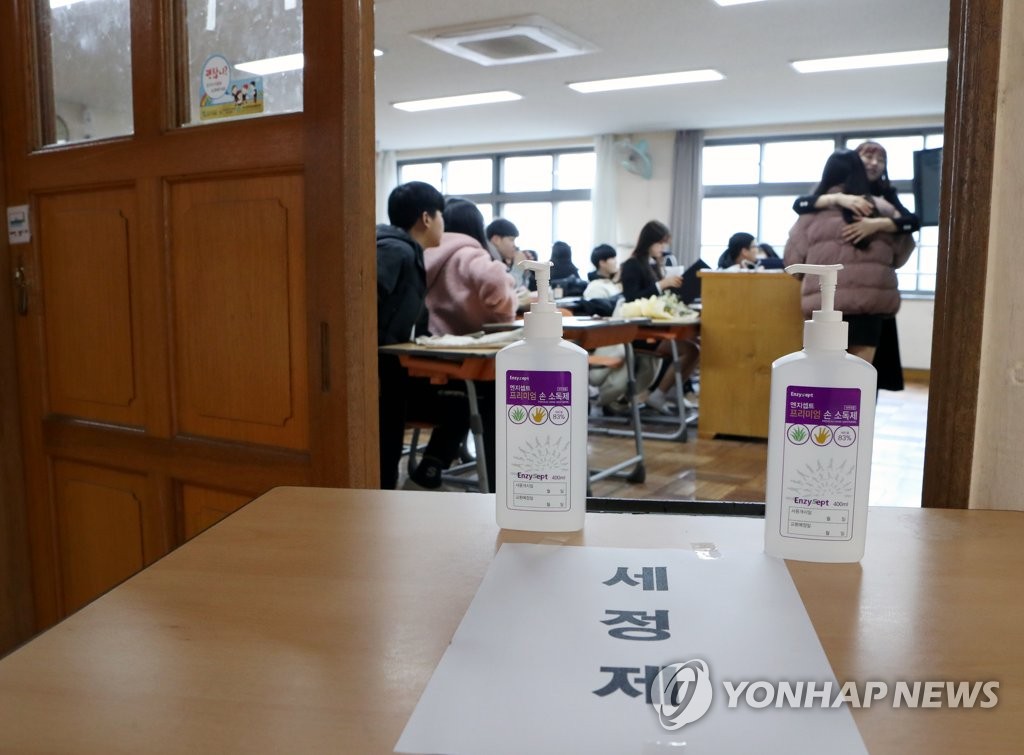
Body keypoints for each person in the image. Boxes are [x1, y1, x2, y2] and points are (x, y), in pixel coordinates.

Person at [783, 149, 915, 390]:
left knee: (823, 383)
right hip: (868, 308)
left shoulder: (809, 215)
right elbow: (902, 253)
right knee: (858, 385)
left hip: (823, 310)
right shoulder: (884, 209)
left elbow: (792, 261)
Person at [376, 181, 471, 491]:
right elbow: (363, 304)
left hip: (392, 368)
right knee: (386, 447)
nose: (444, 223)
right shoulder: (395, 250)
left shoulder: (406, 250)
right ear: (427, 218)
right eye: (441, 215)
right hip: (378, 372)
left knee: (463, 399)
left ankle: (421, 477)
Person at [423, 197, 516, 491]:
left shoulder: (425, 253)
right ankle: (497, 484)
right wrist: (505, 309)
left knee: (471, 398)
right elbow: (496, 283)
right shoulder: (469, 253)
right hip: (468, 359)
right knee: (492, 396)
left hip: (430, 359)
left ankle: (432, 465)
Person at [620, 220, 699, 414]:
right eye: (660, 243)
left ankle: (670, 393)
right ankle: (661, 394)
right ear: (649, 242)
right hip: (641, 333)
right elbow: (631, 298)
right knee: (691, 350)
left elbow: (657, 296)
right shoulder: (631, 265)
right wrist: (662, 284)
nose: (663, 248)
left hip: (654, 328)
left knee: (695, 347)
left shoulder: (652, 265)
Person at [793, 140, 920, 244]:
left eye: (881, 160)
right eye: (869, 157)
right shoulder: (838, 186)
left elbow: (913, 222)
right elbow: (800, 204)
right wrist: (837, 198)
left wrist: (876, 224)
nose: (875, 163)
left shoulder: (886, 193)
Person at [424, 198, 517, 336]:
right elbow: (496, 279)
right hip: (476, 338)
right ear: (476, 226)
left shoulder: (428, 254)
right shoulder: (470, 254)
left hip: (437, 339)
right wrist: (505, 311)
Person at [486, 217, 532, 305]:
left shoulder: (499, 259)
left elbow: (520, 293)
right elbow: (505, 292)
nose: (515, 245)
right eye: (512, 240)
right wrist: (518, 268)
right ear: (496, 240)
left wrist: (524, 271)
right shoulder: (486, 259)